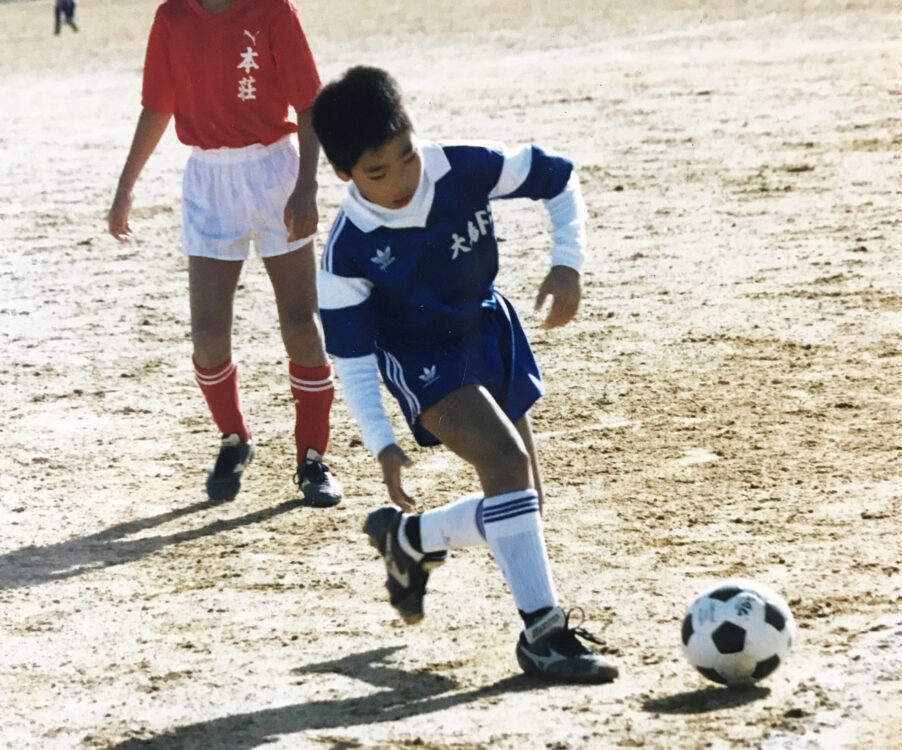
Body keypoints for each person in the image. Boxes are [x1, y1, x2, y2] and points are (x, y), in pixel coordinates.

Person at [311, 66, 619, 683]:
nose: (400, 180)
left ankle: (411, 539)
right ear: (344, 174)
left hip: (487, 326)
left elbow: (557, 177)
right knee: (507, 467)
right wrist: (382, 442)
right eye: (377, 172)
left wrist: (567, 266)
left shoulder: (460, 166)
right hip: (423, 355)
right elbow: (350, 358)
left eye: (406, 158)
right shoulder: (347, 252)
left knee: (522, 500)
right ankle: (544, 636)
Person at [106, 0, 342, 508]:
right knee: (209, 334)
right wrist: (127, 186)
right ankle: (235, 440)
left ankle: (312, 457)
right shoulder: (173, 17)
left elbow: (309, 103)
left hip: (273, 171)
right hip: (208, 180)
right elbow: (158, 104)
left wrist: (306, 185)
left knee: (301, 324)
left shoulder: (273, 10)